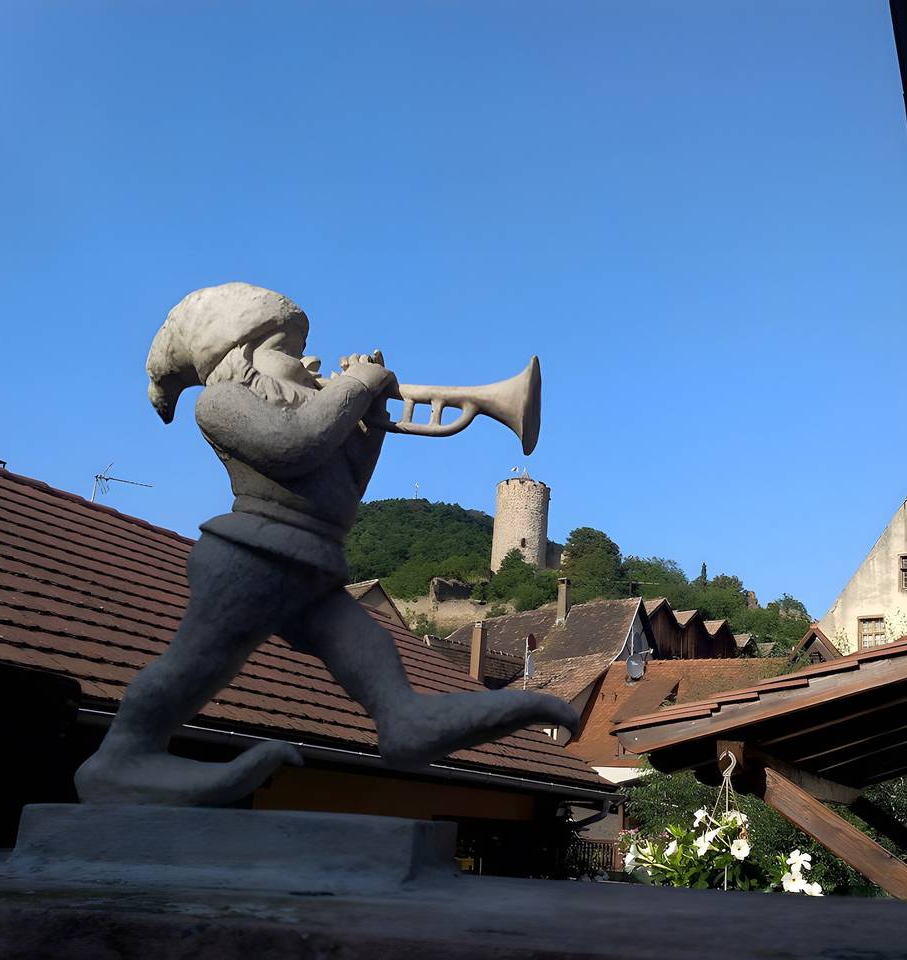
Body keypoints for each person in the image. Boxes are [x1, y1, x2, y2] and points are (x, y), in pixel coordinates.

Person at [75, 282, 577, 805]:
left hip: (311, 570)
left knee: (375, 657)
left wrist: (369, 422)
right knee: (197, 665)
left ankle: (405, 721)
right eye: (288, 351)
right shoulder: (220, 402)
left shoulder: (310, 410)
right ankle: (122, 757)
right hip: (252, 558)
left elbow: (348, 486)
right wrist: (356, 385)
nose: (310, 359)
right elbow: (294, 445)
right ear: (240, 356)